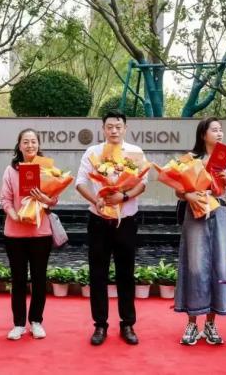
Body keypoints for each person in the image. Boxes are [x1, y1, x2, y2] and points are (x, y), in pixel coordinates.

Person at [75, 110, 147, 346]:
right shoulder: (93, 152)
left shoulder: (135, 152)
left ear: (125, 128)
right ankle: (100, 325)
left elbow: (142, 184)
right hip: (99, 220)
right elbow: (80, 183)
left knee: (126, 274)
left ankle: (127, 324)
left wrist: (123, 196)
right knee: (98, 274)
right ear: (103, 129)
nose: (114, 130)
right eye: (109, 127)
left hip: (126, 220)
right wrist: (95, 199)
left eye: (118, 126)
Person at [174, 117, 226, 346]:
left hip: (219, 213)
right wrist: (188, 195)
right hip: (195, 213)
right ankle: (192, 323)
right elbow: (178, 190)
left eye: (221, 130)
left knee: (220, 265)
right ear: (203, 134)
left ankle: (212, 323)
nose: (219, 133)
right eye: (214, 130)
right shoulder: (191, 158)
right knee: (194, 266)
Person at [0, 129, 58, 340]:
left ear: (38, 144)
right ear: (19, 145)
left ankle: (36, 321)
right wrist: (14, 215)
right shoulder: (10, 171)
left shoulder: (48, 169)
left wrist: (45, 198)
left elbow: (54, 200)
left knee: (39, 278)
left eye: (33, 141)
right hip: (15, 233)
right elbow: (5, 200)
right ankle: (18, 323)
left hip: (40, 232)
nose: (30, 145)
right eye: (26, 142)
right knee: (18, 280)